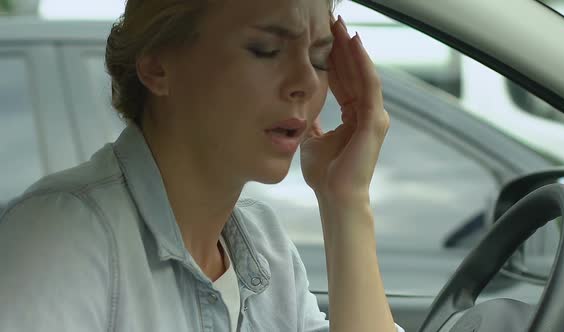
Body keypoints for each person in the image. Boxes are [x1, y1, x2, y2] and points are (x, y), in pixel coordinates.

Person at [0, 0, 404, 331]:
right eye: (266, 50)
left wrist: (344, 199)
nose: (308, 81)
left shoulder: (266, 249)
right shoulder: (61, 244)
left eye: (320, 59)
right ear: (157, 65)